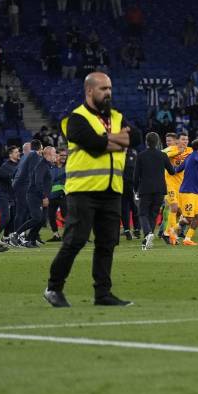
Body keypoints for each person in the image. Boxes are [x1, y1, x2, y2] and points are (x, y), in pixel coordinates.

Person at [45, 71, 132, 308]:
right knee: (76, 240)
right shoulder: (75, 118)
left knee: (107, 243)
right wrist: (114, 140)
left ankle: (102, 294)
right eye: (103, 89)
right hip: (83, 190)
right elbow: (92, 144)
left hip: (112, 189)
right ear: (90, 91)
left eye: (110, 88)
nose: (108, 93)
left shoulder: (117, 116)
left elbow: (134, 137)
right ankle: (53, 287)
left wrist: (105, 139)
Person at [134, 131, 171, 249]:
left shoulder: (141, 156)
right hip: (160, 190)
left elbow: (136, 175)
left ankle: (148, 234)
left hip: (145, 189)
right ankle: (148, 239)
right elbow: (172, 171)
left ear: (146, 142)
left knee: (143, 213)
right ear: (158, 142)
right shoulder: (163, 155)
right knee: (153, 214)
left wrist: (135, 189)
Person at [175, 140, 198, 246]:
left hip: (195, 192)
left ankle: (187, 238)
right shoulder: (195, 156)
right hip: (187, 192)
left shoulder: (189, 157)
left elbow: (178, 169)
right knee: (189, 218)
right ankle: (171, 231)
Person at [162, 132, 191, 246]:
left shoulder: (189, 151)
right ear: (178, 141)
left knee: (179, 212)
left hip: (181, 185)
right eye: (183, 139)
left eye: (186, 140)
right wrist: (174, 152)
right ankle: (172, 235)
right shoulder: (172, 149)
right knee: (173, 207)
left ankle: (166, 232)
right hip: (169, 184)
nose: (185, 142)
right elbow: (162, 154)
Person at [0, 145, 20, 250]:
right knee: (5, 218)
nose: (18, 153)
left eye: (18, 152)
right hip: (3, 194)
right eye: (16, 152)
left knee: (12, 218)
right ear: (10, 155)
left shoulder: (18, 165)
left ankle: (5, 238)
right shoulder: (5, 166)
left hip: (12, 195)